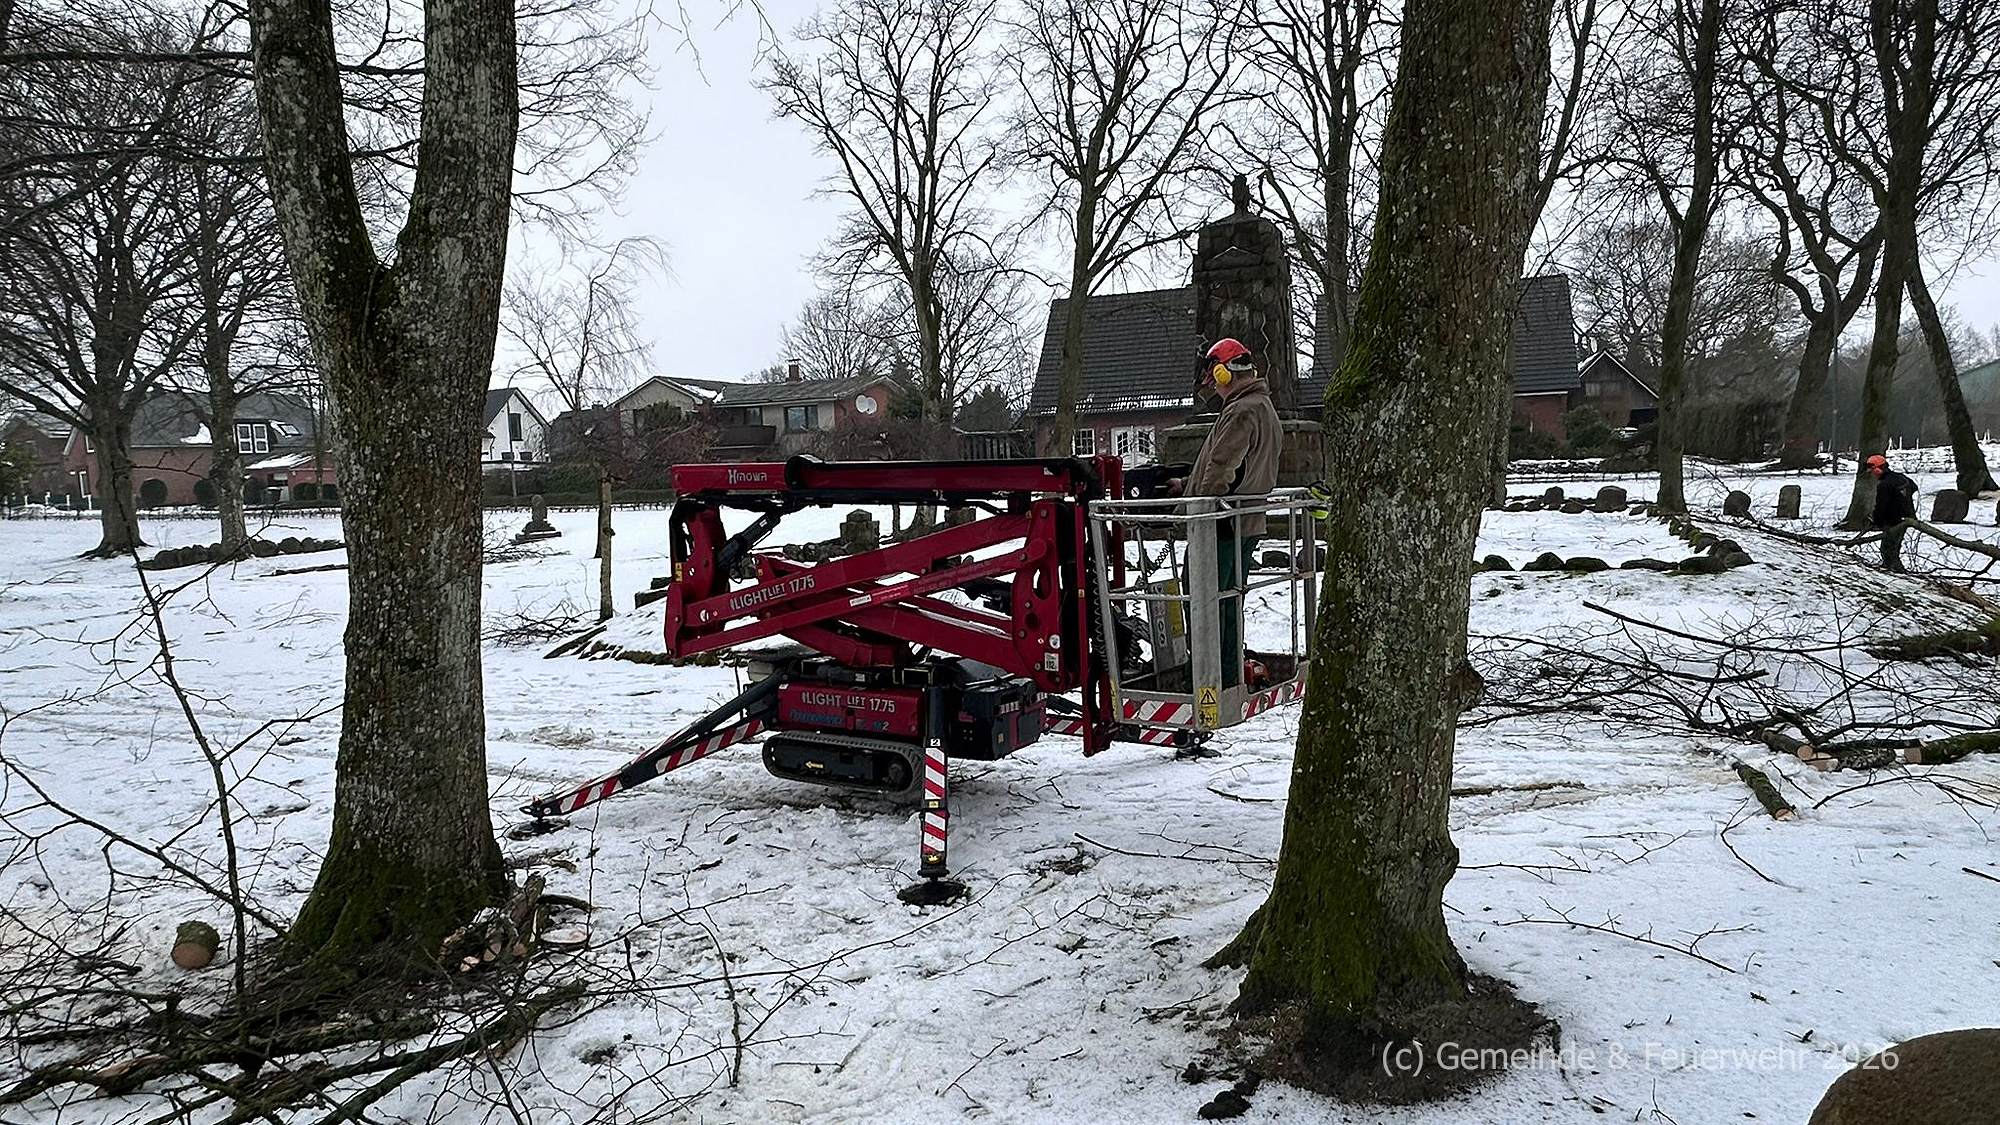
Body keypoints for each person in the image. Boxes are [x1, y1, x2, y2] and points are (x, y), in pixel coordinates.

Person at [1170, 337, 1283, 687]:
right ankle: (1229, 676)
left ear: (1223, 373)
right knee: (1229, 602)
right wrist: (1186, 484)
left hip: (1219, 526)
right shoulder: (1263, 407)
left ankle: (1206, 678)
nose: (1213, 388)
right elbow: (1240, 469)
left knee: (1203, 603)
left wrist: (1197, 507)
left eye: (1213, 379)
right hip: (1246, 523)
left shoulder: (1240, 411)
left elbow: (1221, 470)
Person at [1867, 454, 1918, 573]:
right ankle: (1894, 569)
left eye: (1872, 470)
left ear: (1879, 469)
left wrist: (1876, 521)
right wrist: (1903, 498)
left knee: (1887, 549)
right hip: (1907, 518)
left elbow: (1881, 507)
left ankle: (1895, 571)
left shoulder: (1884, 485)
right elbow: (1914, 487)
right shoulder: (1901, 477)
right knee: (1894, 546)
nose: (1872, 473)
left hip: (1893, 521)